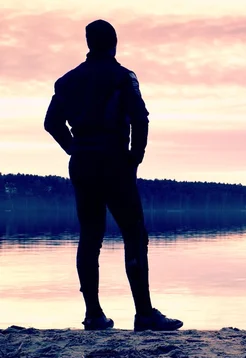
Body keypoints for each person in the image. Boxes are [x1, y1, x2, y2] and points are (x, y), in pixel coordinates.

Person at [44, 20, 183, 332]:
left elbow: (51, 122)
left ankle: (93, 315)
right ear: (114, 43)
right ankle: (144, 314)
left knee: (90, 235)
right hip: (114, 162)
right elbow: (140, 119)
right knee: (134, 234)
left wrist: (74, 148)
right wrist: (135, 157)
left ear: (89, 43)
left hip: (83, 164)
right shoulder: (123, 77)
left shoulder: (67, 82)